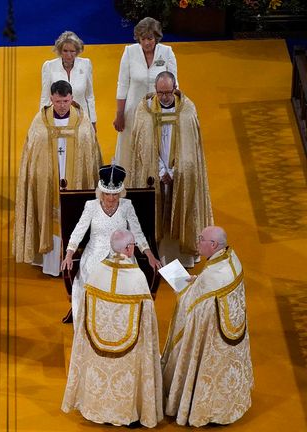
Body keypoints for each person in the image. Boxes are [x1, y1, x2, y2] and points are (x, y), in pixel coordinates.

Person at [62, 229, 162, 427]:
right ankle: (129, 414)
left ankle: (95, 406)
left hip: (98, 343)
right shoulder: (136, 277)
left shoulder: (97, 272)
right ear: (127, 248)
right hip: (129, 349)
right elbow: (148, 315)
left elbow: (84, 310)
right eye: (133, 245)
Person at [162, 226, 253, 426]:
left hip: (211, 336)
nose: (197, 242)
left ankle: (195, 406)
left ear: (213, 245)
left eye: (201, 239)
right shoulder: (231, 259)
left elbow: (191, 305)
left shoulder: (212, 276)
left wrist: (184, 288)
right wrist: (197, 281)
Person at [14, 80, 101, 276]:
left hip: (75, 181)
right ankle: (52, 264)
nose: (62, 106)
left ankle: (76, 259)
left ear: (72, 99)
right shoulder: (40, 121)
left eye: (66, 101)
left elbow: (91, 156)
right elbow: (32, 154)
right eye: (58, 101)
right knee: (50, 215)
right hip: (48, 182)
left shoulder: (82, 122)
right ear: (51, 98)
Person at [127, 71, 213, 267]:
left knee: (178, 207)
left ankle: (180, 258)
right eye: (160, 92)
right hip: (154, 171)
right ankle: (153, 256)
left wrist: (174, 172)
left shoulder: (187, 110)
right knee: (155, 211)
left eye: (168, 92)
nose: (164, 97)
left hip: (179, 173)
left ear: (175, 88)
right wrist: (159, 171)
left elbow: (191, 149)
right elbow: (142, 147)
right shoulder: (145, 111)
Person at [61, 165, 160, 322]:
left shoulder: (127, 206)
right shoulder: (91, 206)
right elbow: (78, 231)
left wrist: (149, 255)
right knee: (96, 279)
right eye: (107, 193)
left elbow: (138, 233)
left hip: (123, 253)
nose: (111, 198)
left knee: (128, 281)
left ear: (120, 192)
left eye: (115, 194)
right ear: (101, 192)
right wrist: (68, 254)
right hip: (94, 255)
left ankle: (122, 322)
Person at [113, 17, 177, 170]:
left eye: (150, 38)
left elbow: (175, 83)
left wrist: (173, 112)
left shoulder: (167, 52)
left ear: (156, 38)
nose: (147, 42)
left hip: (160, 111)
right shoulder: (129, 52)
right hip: (133, 111)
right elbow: (122, 85)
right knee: (129, 149)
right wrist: (119, 114)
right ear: (138, 38)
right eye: (143, 39)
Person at [39, 31, 96, 128]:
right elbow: (45, 97)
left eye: (72, 51)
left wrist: (93, 121)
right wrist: (42, 122)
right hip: (56, 119)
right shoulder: (49, 66)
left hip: (82, 119)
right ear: (60, 51)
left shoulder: (86, 64)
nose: (69, 55)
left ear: (77, 51)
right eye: (65, 51)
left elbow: (89, 96)